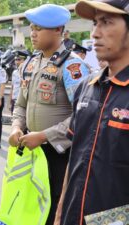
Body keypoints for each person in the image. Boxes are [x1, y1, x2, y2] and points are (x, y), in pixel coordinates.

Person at [8, 4, 91, 225]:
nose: (32, 33)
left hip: (59, 155)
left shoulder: (73, 66)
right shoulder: (31, 62)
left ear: (58, 30)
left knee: (54, 209)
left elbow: (82, 117)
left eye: (39, 28)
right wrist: (16, 126)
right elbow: (21, 103)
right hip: (31, 150)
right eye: (32, 27)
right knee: (29, 205)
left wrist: (44, 136)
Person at [54, 1, 129, 225]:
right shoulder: (86, 87)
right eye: (95, 23)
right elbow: (75, 159)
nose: (95, 33)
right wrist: (59, 216)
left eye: (106, 23)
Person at [9, 51, 28, 115]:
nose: (17, 62)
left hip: (23, 102)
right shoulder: (14, 72)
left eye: (19, 59)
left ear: (25, 60)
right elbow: (12, 87)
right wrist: (10, 102)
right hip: (14, 100)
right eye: (15, 60)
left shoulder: (28, 72)